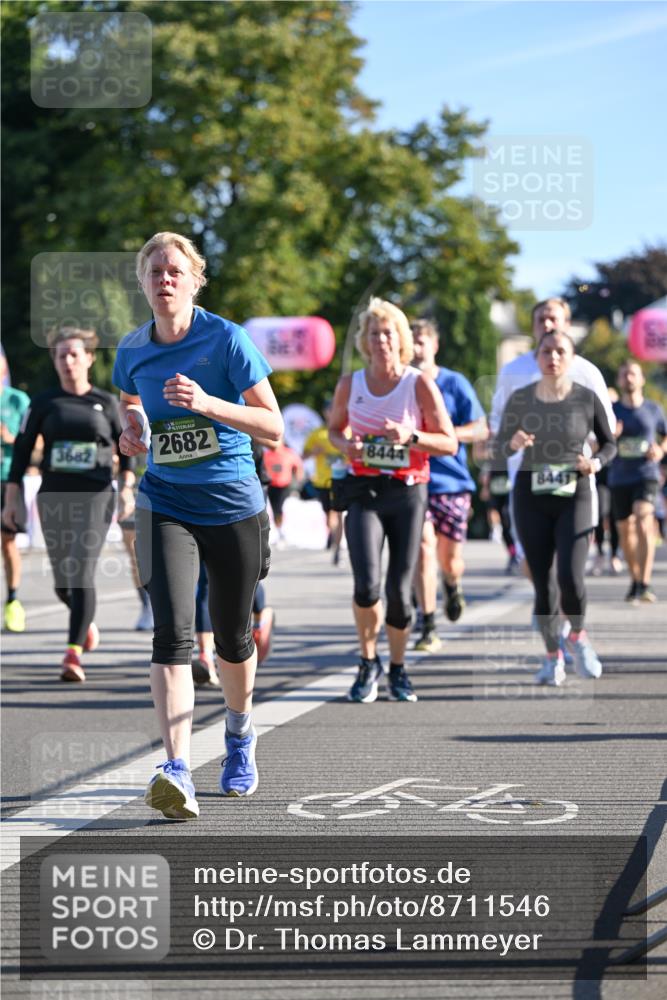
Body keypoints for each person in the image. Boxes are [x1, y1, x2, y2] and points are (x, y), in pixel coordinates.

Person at [114, 231, 282, 820]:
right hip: (164, 501)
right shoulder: (132, 349)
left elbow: (273, 426)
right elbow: (128, 400)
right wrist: (132, 425)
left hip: (233, 503)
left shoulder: (227, 340)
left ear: (194, 280)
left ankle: (239, 734)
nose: (164, 279)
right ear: (142, 283)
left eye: (175, 271)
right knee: (172, 636)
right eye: (154, 270)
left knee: (234, 637)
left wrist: (208, 403)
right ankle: (177, 767)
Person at [328, 297, 457, 703]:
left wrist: (411, 436)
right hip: (364, 490)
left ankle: (398, 668)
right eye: (373, 333)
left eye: (388, 333)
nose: (381, 340)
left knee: (400, 592)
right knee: (366, 585)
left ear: (401, 339)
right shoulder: (351, 383)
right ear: (365, 341)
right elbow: (334, 429)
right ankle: (368, 662)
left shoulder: (417, 383)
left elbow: (449, 442)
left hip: (407, 491)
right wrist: (345, 447)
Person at [3, 328, 135, 679]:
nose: (68, 361)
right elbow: (20, 453)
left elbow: (128, 447)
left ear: (89, 358)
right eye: (61, 355)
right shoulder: (43, 403)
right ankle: (84, 621)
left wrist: (126, 486)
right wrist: (11, 500)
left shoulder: (107, 402)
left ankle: (72, 654)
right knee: (63, 582)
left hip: (96, 496)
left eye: (75, 354)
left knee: (80, 570)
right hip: (53, 497)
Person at [490, 297, 616, 658]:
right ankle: (552, 635)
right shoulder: (514, 374)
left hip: (575, 485)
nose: (547, 325)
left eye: (553, 319)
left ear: (566, 323)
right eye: (541, 319)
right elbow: (497, 428)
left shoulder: (587, 375)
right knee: (540, 574)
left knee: (570, 573)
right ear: (533, 329)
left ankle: (572, 628)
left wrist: (592, 461)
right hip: (527, 484)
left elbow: (607, 436)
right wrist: (509, 444)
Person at [410, 319, 488, 651]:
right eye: (410, 340)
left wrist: (446, 436)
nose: (415, 347)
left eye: (421, 340)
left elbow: (481, 428)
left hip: (452, 482)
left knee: (449, 560)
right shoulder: (400, 382)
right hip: (413, 480)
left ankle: (452, 585)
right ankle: (427, 623)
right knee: (423, 549)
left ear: (434, 345)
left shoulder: (454, 383)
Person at [609, 360, 666, 604]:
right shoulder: (612, 410)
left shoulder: (653, 409)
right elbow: (597, 440)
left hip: (646, 473)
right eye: (624, 374)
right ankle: (635, 579)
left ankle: (644, 582)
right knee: (625, 531)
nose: (628, 378)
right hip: (619, 476)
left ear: (642, 379)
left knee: (644, 520)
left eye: (633, 373)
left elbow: (665, 437)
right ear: (619, 381)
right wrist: (611, 436)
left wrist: (661, 451)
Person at [1, 352, 30, 632]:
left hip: (8, 479)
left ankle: (12, 601)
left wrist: (10, 439)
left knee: (7, 541)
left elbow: (38, 442)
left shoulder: (16, 400)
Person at [302, 400, 345, 564]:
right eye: (329, 410)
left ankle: (338, 548)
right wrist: (314, 451)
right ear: (325, 412)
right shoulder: (318, 433)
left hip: (342, 480)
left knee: (339, 514)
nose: (331, 413)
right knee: (329, 517)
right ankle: (334, 538)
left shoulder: (347, 431)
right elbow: (303, 455)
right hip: (323, 481)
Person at [263, 437, 303, 547]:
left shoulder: (289, 453)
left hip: (285, 485)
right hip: (271, 485)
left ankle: (283, 532)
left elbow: (298, 466)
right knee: (275, 509)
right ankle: (280, 532)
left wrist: (298, 482)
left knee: (281, 508)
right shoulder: (267, 454)